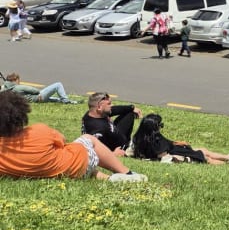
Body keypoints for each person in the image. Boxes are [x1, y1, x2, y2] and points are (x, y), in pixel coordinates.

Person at [0, 90, 146, 183]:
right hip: (74, 165)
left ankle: (110, 179)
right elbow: (62, 140)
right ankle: (127, 173)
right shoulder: (39, 131)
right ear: (21, 113)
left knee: (81, 167)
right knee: (89, 139)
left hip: (58, 172)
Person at [130, 113, 229, 165]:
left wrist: (177, 143)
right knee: (204, 157)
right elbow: (163, 156)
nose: (161, 127)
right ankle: (228, 162)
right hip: (175, 154)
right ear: (154, 128)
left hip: (174, 149)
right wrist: (182, 158)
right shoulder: (155, 141)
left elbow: (167, 144)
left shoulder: (140, 137)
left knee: (202, 150)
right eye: (160, 125)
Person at [82, 91, 142, 156]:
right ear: (99, 107)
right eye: (109, 104)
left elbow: (114, 110)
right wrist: (113, 154)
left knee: (129, 112)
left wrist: (131, 108)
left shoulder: (94, 112)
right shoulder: (97, 130)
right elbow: (92, 150)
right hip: (120, 147)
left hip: (116, 134)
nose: (111, 106)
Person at [1, 73, 76, 103]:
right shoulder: (18, 88)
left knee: (56, 99)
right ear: (14, 80)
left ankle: (71, 102)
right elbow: (35, 91)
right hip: (39, 97)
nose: (19, 82)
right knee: (58, 85)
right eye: (18, 80)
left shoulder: (5, 90)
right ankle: (66, 100)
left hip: (34, 100)